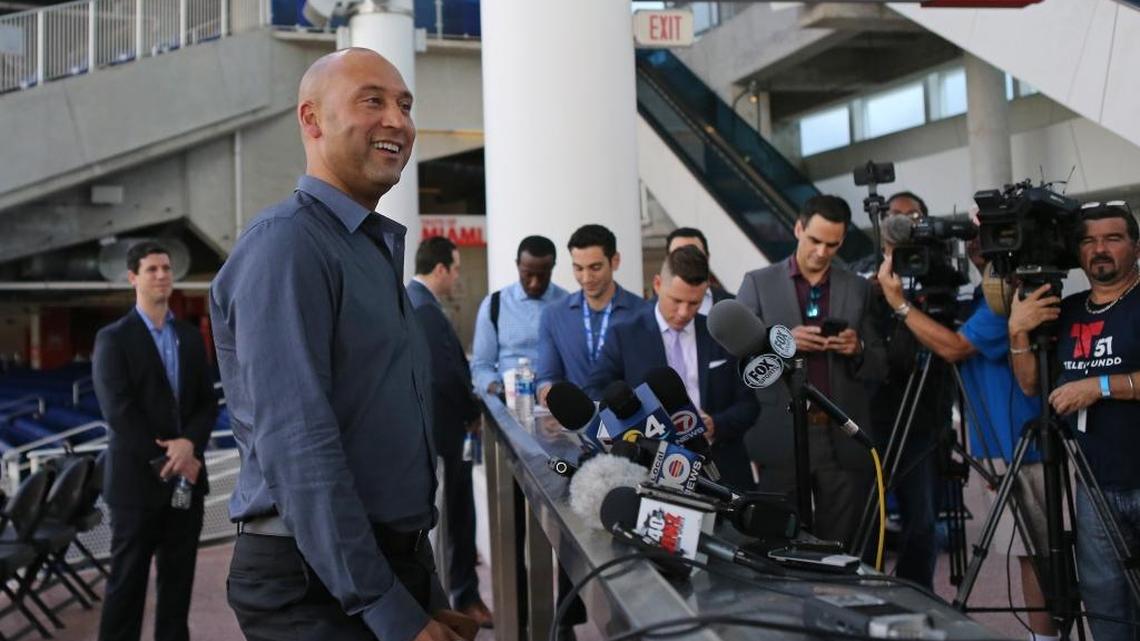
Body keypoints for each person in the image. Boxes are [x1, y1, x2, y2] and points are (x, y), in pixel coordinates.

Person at [210, 49, 466, 641]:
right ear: (312, 120)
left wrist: (419, 585)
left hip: (378, 567)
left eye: (405, 105)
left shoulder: (368, 247)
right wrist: (386, 605)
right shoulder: (289, 247)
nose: (398, 121)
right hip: (315, 586)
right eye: (372, 101)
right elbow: (299, 446)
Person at [878, 230, 1058, 640]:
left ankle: (1044, 637)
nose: (976, 246)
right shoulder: (983, 296)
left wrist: (899, 304)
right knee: (1026, 553)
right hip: (1003, 442)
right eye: (972, 240)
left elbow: (954, 348)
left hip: (1020, 443)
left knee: (1032, 553)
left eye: (987, 239)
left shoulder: (1007, 298)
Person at [1008, 201, 1140, 641]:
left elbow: (1091, 387)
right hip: (1095, 485)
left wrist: (1099, 386)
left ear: (1135, 246)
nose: (1099, 249)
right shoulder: (1068, 310)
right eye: (1088, 240)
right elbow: (1032, 386)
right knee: (1105, 608)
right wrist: (1018, 330)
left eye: (1113, 238)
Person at [736, 194, 886, 547]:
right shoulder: (758, 282)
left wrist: (857, 348)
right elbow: (737, 359)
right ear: (798, 228)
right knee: (776, 541)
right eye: (814, 240)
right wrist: (781, 341)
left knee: (842, 545)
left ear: (842, 241)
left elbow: (881, 362)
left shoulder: (858, 287)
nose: (821, 252)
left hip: (841, 431)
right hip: (781, 430)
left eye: (831, 245)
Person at [93, 241, 217, 641]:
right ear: (133, 278)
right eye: (152, 269)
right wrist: (172, 457)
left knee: (177, 585)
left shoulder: (189, 336)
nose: (162, 275)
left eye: (166, 268)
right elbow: (120, 412)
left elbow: (205, 401)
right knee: (127, 583)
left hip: (186, 485)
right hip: (137, 485)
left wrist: (189, 446)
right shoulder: (114, 339)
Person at [585, 246, 760, 490]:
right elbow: (594, 392)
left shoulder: (719, 334)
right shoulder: (624, 334)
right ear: (657, 284)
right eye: (676, 301)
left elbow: (749, 404)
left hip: (721, 468)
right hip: (650, 472)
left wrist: (716, 424)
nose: (683, 312)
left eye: (694, 303)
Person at [862, 191, 954, 589]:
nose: (903, 222)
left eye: (913, 215)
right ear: (882, 221)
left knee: (921, 519)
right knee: (867, 516)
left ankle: (920, 592)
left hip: (923, 413)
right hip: (870, 411)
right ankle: (865, 591)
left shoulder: (941, 274)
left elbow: (952, 339)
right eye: (896, 215)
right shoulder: (861, 274)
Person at [407, 237, 493, 628]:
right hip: (444, 433)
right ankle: (459, 599)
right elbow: (444, 376)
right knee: (456, 519)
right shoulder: (423, 308)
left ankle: (459, 596)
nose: (457, 277)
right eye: (456, 269)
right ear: (440, 269)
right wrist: (472, 411)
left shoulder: (418, 303)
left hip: (440, 431)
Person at [536, 224, 645, 403]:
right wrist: (547, 392)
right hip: (574, 422)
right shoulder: (553, 315)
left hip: (629, 421)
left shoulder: (642, 313)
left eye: (595, 268)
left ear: (615, 261)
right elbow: (547, 377)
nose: (586, 278)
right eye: (578, 268)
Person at [470, 235, 568, 397]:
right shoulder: (495, 305)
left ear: (552, 267)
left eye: (542, 275)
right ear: (517, 265)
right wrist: (500, 390)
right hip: (507, 403)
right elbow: (481, 366)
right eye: (528, 274)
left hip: (556, 403)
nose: (534, 283)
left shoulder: (568, 304)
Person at [665, 227, 733, 314]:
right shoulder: (648, 312)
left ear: (707, 258)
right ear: (667, 261)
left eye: (695, 254)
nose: (687, 261)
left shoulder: (735, 305)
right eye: (678, 255)